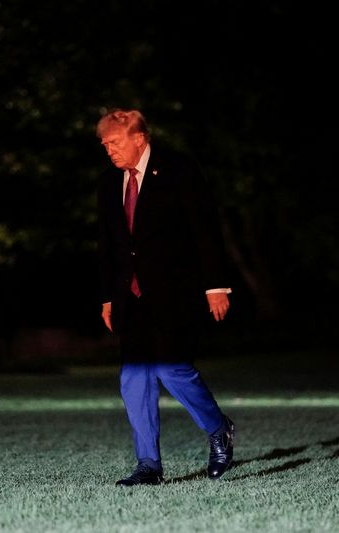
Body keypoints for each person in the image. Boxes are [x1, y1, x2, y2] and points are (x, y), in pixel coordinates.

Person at [96, 108, 235, 486]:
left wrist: (216, 286)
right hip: (130, 296)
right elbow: (109, 244)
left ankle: (219, 429)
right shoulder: (109, 182)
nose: (108, 150)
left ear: (138, 138)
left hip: (175, 289)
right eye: (104, 144)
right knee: (134, 377)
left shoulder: (179, 169)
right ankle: (148, 465)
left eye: (114, 142)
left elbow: (204, 227)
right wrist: (109, 296)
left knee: (171, 368)